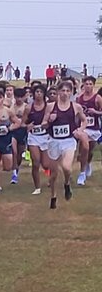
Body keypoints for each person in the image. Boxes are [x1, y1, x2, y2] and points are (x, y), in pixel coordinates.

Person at [44, 80, 85, 209]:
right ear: (58, 92)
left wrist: (80, 130)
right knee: (54, 174)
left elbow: (84, 121)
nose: (65, 93)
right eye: (62, 91)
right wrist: (49, 120)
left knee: (67, 167)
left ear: (71, 93)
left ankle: (67, 184)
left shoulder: (75, 107)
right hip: (54, 141)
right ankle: (53, 197)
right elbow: (44, 123)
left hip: (68, 140)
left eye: (68, 91)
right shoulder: (51, 106)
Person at [22, 84, 49, 195]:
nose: (38, 94)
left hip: (45, 137)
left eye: (41, 92)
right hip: (33, 137)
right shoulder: (29, 107)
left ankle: (51, 178)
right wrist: (27, 126)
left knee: (46, 164)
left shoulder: (48, 106)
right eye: (37, 92)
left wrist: (47, 124)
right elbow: (22, 123)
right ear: (33, 94)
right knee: (36, 162)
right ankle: (37, 187)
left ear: (44, 94)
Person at [0, 89, 17, 192]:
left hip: (6, 140)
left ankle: (7, 167)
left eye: (0, 97)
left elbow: (17, 122)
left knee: (8, 167)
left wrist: (10, 128)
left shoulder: (8, 111)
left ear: (3, 99)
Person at [75, 75, 101, 186]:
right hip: (83, 128)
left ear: (93, 85)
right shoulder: (79, 99)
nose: (88, 86)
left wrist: (96, 112)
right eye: (86, 84)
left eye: (91, 84)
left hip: (94, 128)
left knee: (89, 151)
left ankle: (88, 164)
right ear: (83, 85)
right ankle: (82, 174)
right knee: (84, 149)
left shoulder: (98, 98)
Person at [8, 87, 29, 184]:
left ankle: (16, 169)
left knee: (19, 154)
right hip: (13, 131)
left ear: (24, 97)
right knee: (14, 152)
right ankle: (14, 173)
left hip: (22, 131)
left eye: (21, 97)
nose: (19, 99)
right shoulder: (11, 107)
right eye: (17, 97)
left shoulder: (27, 107)